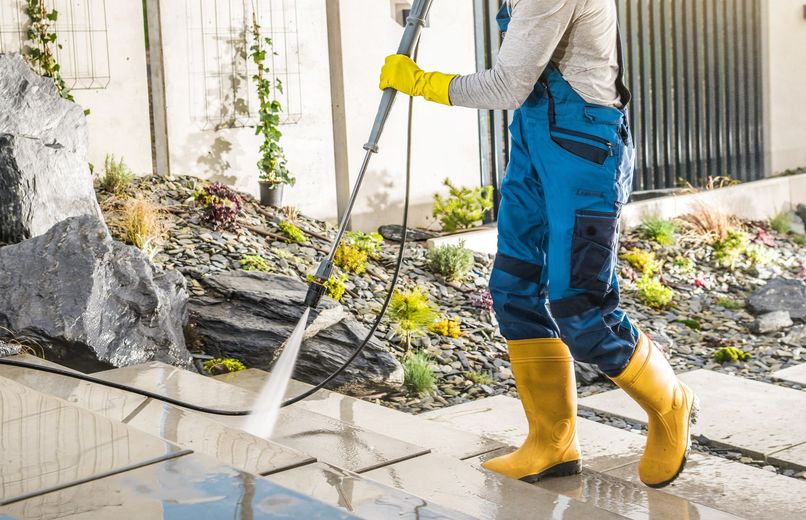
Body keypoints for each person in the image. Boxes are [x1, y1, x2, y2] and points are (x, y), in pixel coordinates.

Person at [379, 0, 699, 489]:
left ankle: (671, 403)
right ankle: (552, 441)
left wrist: (421, 82)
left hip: (584, 148)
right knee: (513, 287)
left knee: (580, 308)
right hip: (533, 143)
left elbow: (508, 84)